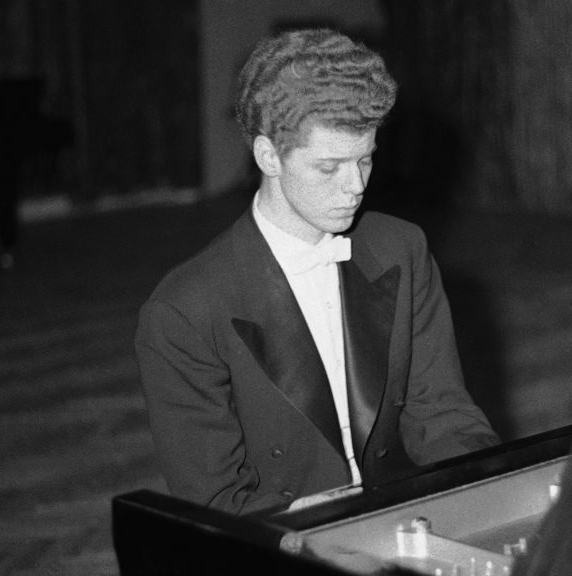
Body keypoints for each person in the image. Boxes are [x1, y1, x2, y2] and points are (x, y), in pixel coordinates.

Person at [135, 28, 500, 515]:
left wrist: (493, 496)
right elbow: (220, 504)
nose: (355, 187)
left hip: (400, 517)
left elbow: (444, 415)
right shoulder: (183, 311)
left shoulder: (401, 248)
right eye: (329, 168)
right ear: (269, 157)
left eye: (365, 159)